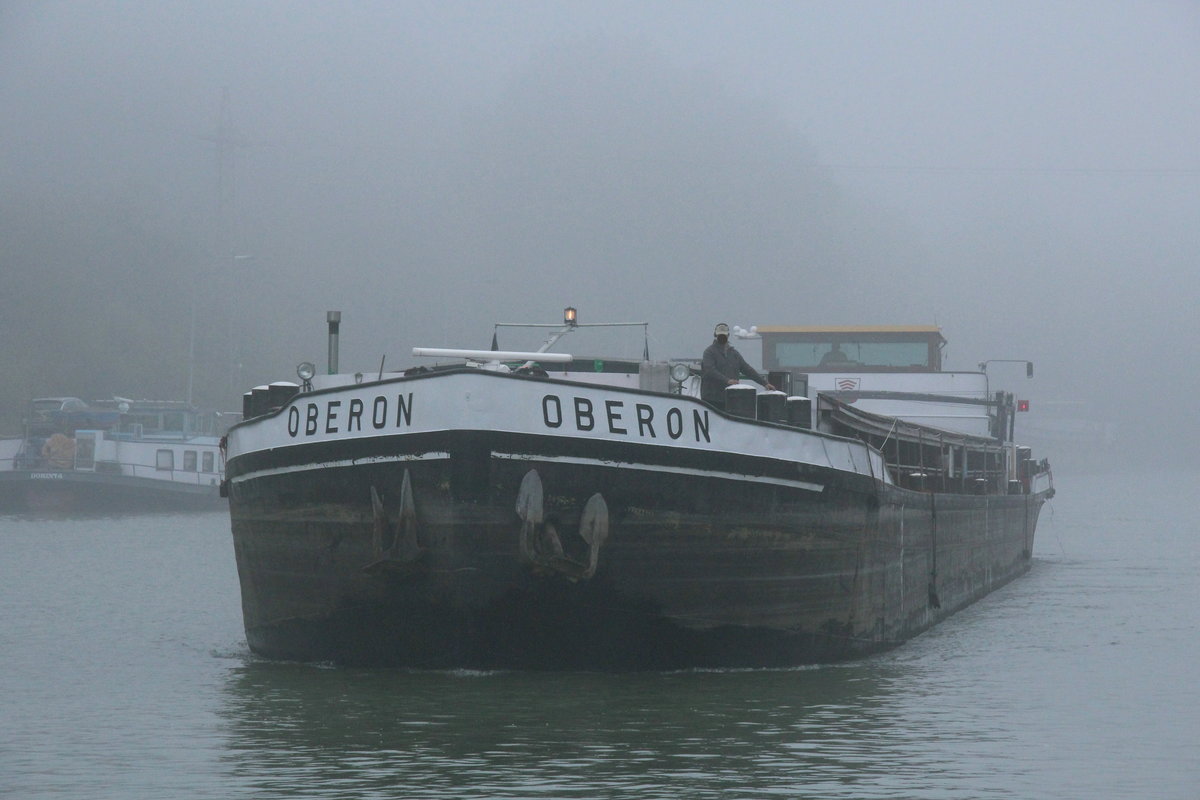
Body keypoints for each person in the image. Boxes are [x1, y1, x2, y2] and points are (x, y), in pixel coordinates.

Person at [701, 323, 774, 409]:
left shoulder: (734, 354)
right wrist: (727, 380)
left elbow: (747, 369)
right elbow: (710, 370)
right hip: (712, 399)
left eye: (724, 335)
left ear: (728, 335)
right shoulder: (709, 352)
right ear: (715, 335)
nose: (722, 338)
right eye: (720, 335)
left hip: (730, 398)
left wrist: (764, 383)